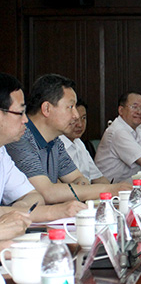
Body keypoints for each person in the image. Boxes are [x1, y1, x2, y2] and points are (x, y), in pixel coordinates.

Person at [5, 74, 130, 204]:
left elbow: (78, 178)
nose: (76, 115)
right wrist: (111, 189)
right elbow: (47, 192)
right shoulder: (19, 138)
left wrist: (78, 186)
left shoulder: (55, 141)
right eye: (70, 107)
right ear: (46, 109)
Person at [0, 73, 85, 228]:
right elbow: (46, 193)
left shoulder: (2, 153)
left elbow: (34, 196)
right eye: (20, 113)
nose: (25, 120)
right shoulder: (18, 142)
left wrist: (19, 209)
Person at [59, 100, 110, 184]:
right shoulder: (56, 146)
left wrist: (114, 188)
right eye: (74, 119)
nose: (80, 124)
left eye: (83, 118)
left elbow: (98, 178)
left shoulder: (79, 143)